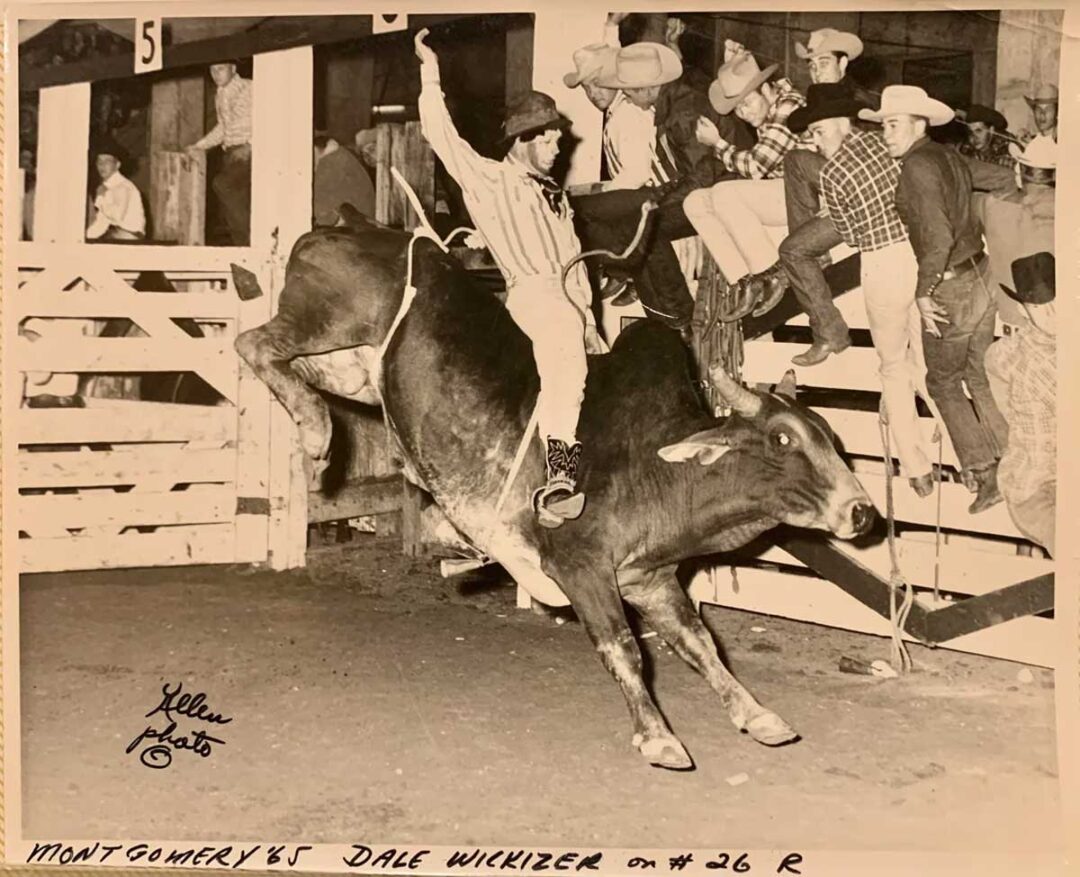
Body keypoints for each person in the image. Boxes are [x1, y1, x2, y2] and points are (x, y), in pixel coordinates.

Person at [414, 28, 601, 528]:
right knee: (567, 369)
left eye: (558, 136)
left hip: (565, 301)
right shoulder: (493, 181)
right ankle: (558, 481)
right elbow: (442, 137)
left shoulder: (554, 197)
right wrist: (430, 74)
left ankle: (571, 476)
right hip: (533, 297)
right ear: (523, 140)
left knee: (585, 377)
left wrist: (588, 321)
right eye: (550, 137)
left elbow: (575, 262)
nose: (559, 145)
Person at [865, 85, 1008, 513]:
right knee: (979, 374)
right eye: (884, 126)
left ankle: (984, 470)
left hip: (952, 286)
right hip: (982, 273)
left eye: (892, 125)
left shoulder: (916, 168)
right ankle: (1014, 459)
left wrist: (924, 293)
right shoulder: (948, 156)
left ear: (918, 124)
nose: (885, 134)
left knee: (942, 381)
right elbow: (1000, 179)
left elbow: (937, 237)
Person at [813, 85, 937, 498]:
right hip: (915, 255)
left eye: (818, 133)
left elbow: (845, 232)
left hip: (880, 264)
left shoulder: (830, 174)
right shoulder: (885, 147)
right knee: (927, 362)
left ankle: (917, 468)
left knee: (892, 367)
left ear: (838, 127)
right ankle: (961, 451)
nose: (816, 141)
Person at [683, 47, 810, 309]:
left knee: (725, 193)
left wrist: (717, 144)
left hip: (808, 198)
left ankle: (772, 272)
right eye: (737, 108)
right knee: (694, 202)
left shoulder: (790, 105)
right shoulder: (771, 106)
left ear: (766, 89)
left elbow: (755, 167)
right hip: (784, 192)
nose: (744, 113)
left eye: (747, 103)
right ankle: (744, 280)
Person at [777, 28, 870, 366]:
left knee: (791, 251)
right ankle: (815, 255)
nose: (816, 69)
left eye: (824, 62)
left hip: (866, 197)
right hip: (840, 187)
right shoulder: (816, 100)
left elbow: (865, 161)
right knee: (797, 160)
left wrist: (834, 191)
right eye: (812, 63)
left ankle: (829, 333)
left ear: (843, 65)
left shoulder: (862, 104)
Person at [984, 253, 1056, 554]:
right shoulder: (1038, 362)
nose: (1051, 313)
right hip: (1038, 491)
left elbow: (993, 359)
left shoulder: (1007, 350)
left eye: (1057, 302)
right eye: (1039, 307)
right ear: (1023, 310)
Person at [186, 61, 252, 246]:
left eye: (221, 69)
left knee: (222, 184)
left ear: (233, 69)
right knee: (234, 201)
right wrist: (200, 146)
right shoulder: (221, 93)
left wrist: (251, 145)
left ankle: (250, 239)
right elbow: (224, 127)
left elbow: (266, 116)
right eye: (212, 70)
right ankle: (242, 246)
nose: (216, 74)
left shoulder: (249, 87)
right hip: (231, 152)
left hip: (248, 151)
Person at [85, 140, 146, 241]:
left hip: (129, 237)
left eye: (107, 161)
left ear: (117, 165)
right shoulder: (106, 187)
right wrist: (84, 238)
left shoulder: (123, 187)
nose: (102, 165)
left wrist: (101, 198)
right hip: (115, 234)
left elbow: (116, 216)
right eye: (99, 161)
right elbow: (102, 222)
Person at [312, 132, 376, 226]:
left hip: (356, 227)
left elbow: (318, 210)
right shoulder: (342, 156)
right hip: (364, 222)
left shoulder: (330, 163)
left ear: (316, 148)